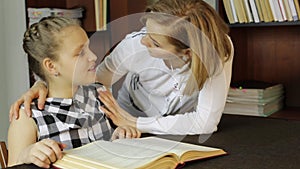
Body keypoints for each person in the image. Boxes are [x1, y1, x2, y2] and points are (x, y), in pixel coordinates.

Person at [10, 0, 233, 135]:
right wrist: (43, 81)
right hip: (128, 123)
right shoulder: (133, 46)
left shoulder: (215, 51)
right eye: (146, 31)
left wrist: (135, 123)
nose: (143, 41)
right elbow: (92, 79)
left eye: (154, 43)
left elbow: (203, 123)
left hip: (175, 127)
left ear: (187, 53)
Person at [7, 16, 140, 168]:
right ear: (51, 66)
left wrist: (120, 135)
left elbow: (112, 143)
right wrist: (27, 154)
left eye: (88, 48)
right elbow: (15, 164)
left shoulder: (100, 94)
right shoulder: (28, 116)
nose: (93, 56)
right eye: (80, 53)